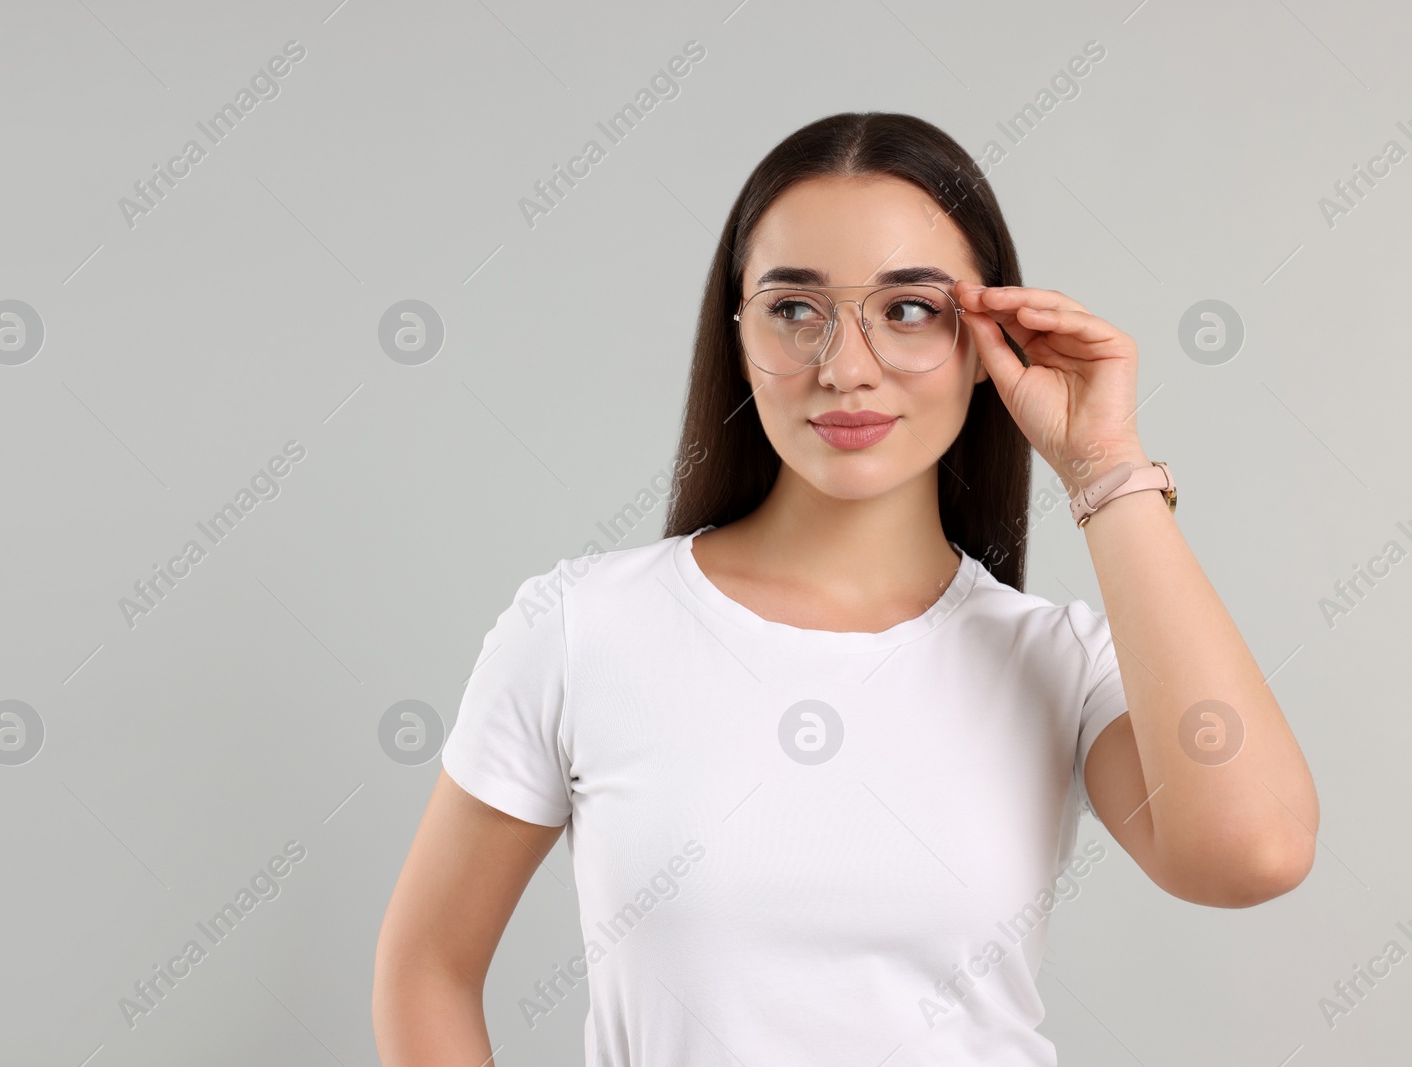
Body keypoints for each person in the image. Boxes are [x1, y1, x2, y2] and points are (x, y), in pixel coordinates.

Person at [373, 111, 1319, 1066]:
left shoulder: (1055, 665)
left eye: (908, 309)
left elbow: (1252, 852)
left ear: (984, 337)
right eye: (795, 309)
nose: (846, 369)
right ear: (737, 332)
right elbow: (427, 967)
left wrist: (1107, 466)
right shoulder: (582, 628)